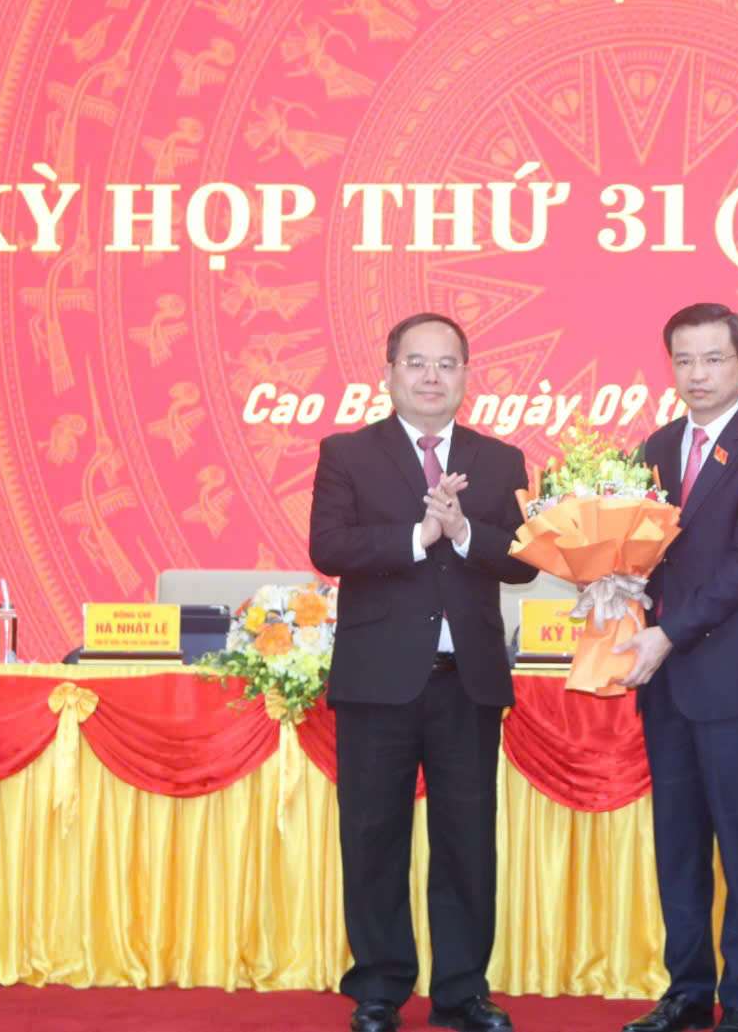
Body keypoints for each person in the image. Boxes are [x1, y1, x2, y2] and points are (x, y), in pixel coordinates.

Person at [310, 313, 537, 1032]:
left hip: (465, 680)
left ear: (467, 376)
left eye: (446, 364)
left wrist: (466, 531)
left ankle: (463, 991)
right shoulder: (348, 452)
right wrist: (420, 534)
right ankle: (379, 987)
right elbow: (329, 545)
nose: (432, 377)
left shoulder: (500, 461)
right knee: (373, 836)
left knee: (467, 839)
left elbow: (526, 560)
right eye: (417, 363)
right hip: (378, 679)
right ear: (389, 372)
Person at [613, 304, 738, 1032]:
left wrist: (667, 633)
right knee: (679, 839)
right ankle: (687, 990)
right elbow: (635, 549)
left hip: (729, 678)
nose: (698, 374)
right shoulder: (656, 447)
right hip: (663, 681)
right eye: (685, 361)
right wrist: (611, 588)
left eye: (713, 359)